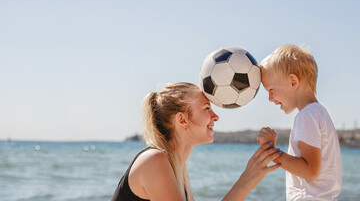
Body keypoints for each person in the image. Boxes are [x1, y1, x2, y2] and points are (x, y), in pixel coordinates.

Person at [112, 82, 282, 201]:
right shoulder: (154, 160)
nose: (216, 116)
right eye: (206, 108)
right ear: (182, 120)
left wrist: (248, 180)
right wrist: (245, 181)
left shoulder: (177, 167)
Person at [258, 44, 342, 200]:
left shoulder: (307, 116)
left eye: (271, 90)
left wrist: (270, 150)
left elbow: (310, 171)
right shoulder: (319, 113)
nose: (270, 98)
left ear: (293, 82)